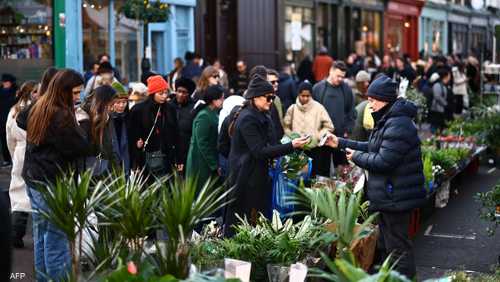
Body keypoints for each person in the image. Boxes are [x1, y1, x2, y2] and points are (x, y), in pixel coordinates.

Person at [325, 74, 426, 279]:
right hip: (390, 196)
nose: (369, 104)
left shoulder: (398, 124)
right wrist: (341, 143)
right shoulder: (389, 119)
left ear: (384, 100)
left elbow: (384, 161)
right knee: (390, 246)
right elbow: (372, 147)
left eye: (372, 100)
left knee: (398, 248)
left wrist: (357, 157)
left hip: (396, 197)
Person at [17, 69, 90, 281]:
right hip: (51, 180)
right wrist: (83, 124)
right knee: (56, 238)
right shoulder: (60, 115)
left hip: (35, 177)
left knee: (42, 235)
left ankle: (43, 278)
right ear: (64, 91)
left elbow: (22, 120)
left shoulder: (41, 104)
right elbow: (80, 147)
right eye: (75, 93)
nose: (78, 98)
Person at [224, 75, 309, 236]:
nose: (271, 101)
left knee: (257, 218)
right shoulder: (248, 118)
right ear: (255, 97)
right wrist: (291, 146)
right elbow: (259, 151)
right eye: (268, 97)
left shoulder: (262, 114)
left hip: (256, 174)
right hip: (245, 176)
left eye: (273, 97)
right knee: (241, 219)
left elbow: (271, 142)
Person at [129, 75, 180, 175]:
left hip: (167, 158)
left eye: (166, 93)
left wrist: (178, 158)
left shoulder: (170, 109)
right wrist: (135, 162)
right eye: (161, 93)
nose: (164, 96)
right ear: (152, 93)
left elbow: (176, 133)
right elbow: (132, 135)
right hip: (145, 159)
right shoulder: (139, 110)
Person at [7, 81, 37, 249]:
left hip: (19, 150)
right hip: (32, 151)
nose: (37, 94)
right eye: (35, 91)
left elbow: (8, 136)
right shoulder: (36, 110)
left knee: (19, 195)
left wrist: (14, 155)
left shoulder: (14, 110)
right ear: (28, 93)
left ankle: (16, 234)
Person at [283, 81, 334, 177]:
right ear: (298, 94)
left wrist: (317, 136)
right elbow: (285, 126)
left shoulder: (319, 108)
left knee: (314, 177)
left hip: (315, 150)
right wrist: (292, 136)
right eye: (303, 95)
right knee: (298, 177)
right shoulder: (292, 109)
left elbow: (329, 126)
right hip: (297, 151)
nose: (305, 98)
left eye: (308, 96)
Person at [312, 61, 356, 170]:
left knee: (342, 169)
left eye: (342, 77)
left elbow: (351, 111)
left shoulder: (346, 89)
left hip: (340, 136)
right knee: (321, 170)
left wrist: (348, 130)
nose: (340, 79)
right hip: (322, 136)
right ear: (330, 71)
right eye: (338, 76)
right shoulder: (318, 88)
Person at [186, 85, 225, 191]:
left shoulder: (214, 113)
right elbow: (202, 143)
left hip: (208, 161)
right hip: (200, 163)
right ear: (214, 99)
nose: (223, 100)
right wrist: (214, 165)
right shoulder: (204, 115)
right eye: (221, 98)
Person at [170, 78, 196, 173]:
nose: (180, 95)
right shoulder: (169, 106)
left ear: (189, 94)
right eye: (179, 91)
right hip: (171, 152)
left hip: (187, 151)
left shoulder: (194, 108)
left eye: (184, 92)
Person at [110, 82, 132, 175]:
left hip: (125, 163)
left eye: (124, 102)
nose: (121, 105)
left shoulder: (128, 118)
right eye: (118, 102)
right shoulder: (106, 120)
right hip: (110, 165)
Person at [0, 73, 17, 167]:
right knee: (4, 140)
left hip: (12, 118)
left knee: (13, 140)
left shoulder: (15, 92)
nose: (5, 84)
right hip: (3, 119)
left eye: (6, 82)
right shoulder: (3, 92)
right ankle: (7, 160)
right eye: (4, 82)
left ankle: (12, 159)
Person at [428, 69, 449, 133]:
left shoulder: (442, 85)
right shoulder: (437, 85)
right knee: (435, 127)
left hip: (440, 109)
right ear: (445, 77)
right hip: (436, 110)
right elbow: (437, 97)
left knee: (439, 127)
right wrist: (445, 104)